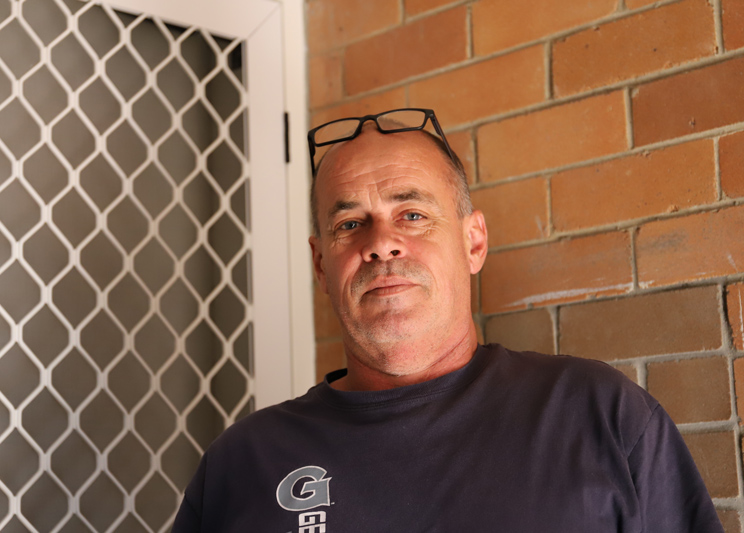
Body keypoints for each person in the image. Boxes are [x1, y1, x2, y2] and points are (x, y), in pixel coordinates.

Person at [172, 108, 723, 532]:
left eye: (412, 215)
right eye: (350, 225)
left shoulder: (601, 415)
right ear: (321, 263)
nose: (382, 243)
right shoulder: (241, 465)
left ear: (473, 242)